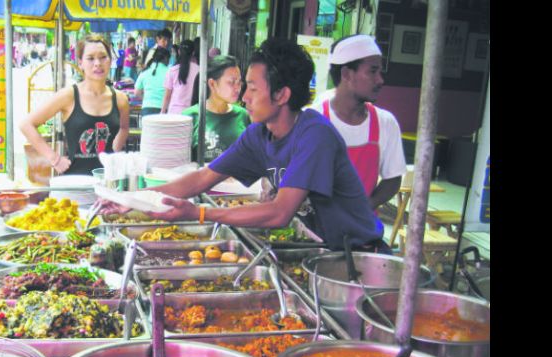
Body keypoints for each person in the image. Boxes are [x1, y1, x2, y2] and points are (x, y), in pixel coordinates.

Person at [102, 38, 385, 253]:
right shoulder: (259, 134)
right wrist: (135, 199)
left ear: (281, 94)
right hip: (322, 250)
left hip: (358, 256)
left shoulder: (314, 135)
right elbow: (203, 178)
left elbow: (279, 212)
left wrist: (200, 213)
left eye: (252, 87)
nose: (244, 97)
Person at [312, 34, 406, 215]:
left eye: (380, 72)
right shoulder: (314, 119)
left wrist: (365, 206)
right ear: (347, 74)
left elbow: (393, 179)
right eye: (372, 71)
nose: (380, 80)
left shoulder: (385, 123)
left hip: (361, 229)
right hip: (314, 227)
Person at [19, 34, 130, 175]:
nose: (97, 63)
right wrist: (55, 159)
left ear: (110, 60)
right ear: (80, 63)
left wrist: (114, 151)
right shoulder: (68, 95)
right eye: (90, 58)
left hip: (108, 181)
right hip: (74, 183)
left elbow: (124, 127)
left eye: (103, 57)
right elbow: (26, 125)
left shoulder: (120, 99)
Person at [183, 55, 250, 165]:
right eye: (231, 82)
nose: (237, 88)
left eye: (239, 82)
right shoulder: (190, 117)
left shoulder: (243, 116)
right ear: (212, 84)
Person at [161, 39, 199, 114]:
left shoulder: (172, 70)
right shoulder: (199, 70)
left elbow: (167, 95)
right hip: (192, 113)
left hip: (174, 113)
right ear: (193, 52)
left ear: (179, 51)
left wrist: (162, 111)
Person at [135, 46, 171, 117]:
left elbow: (137, 93)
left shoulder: (144, 73)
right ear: (165, 58)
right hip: (164, 110)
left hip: (147, 109)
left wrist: (146, 99)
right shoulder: (170, 72)